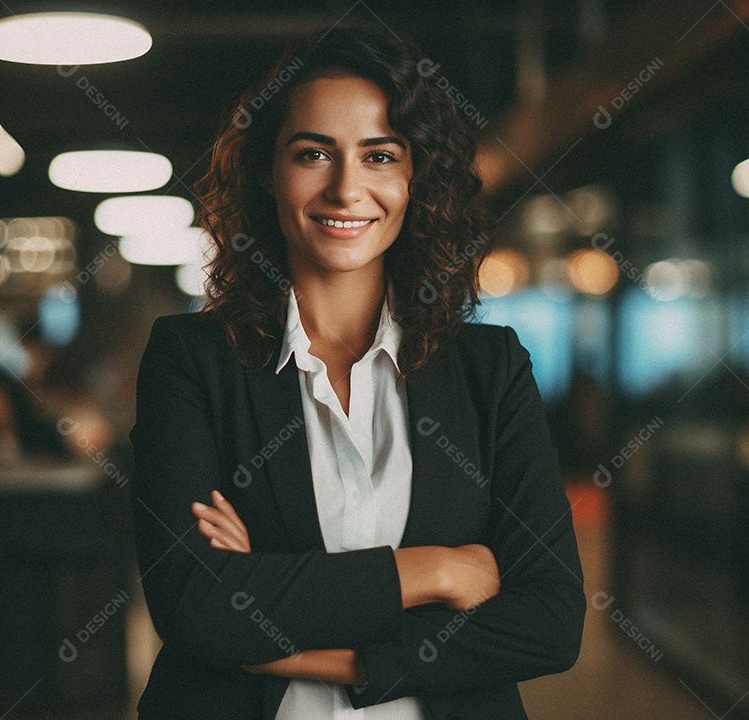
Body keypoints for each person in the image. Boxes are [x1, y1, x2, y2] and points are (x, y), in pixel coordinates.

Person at [129, 24, 585, 720]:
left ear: (414, 177)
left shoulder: (489, 370)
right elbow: (194, 605)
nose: (347, 188)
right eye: (313, 153)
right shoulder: (192, 360)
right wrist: (436, 571)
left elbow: (549, 622)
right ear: (266, 171)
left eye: (379, 155)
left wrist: (304, 633)